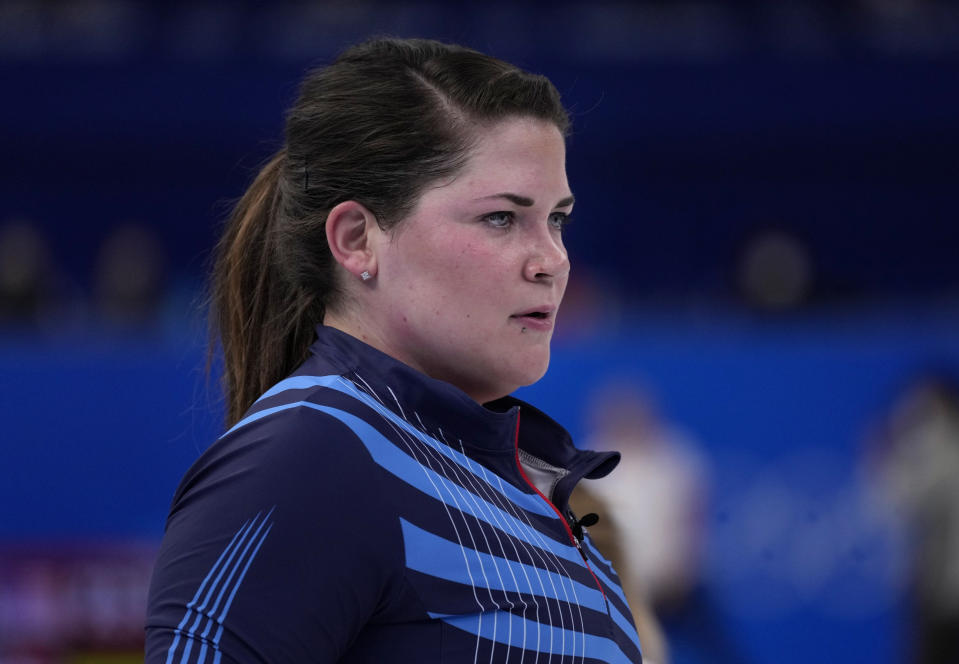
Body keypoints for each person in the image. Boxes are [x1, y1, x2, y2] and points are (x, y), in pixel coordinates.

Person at [144, 37, 643, 664]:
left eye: (557, 219)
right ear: (357, 240)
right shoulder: (313, 457)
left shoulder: (522, 486)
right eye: (500, 218)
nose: (552, 260)